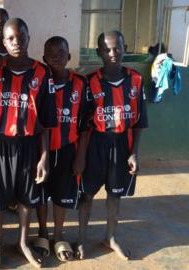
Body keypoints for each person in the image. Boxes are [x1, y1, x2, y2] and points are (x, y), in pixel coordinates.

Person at [0, 18, 57, 269]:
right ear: (3, 42)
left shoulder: (42, 73)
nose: (17, 42)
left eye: (21, 37)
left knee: (27, 198)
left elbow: (46, 123)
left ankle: (23, 242)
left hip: (29, 145)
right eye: (11, 38)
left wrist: (44, 157)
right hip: (0, 145)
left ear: (28, 38)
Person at [73, 31, 148, 261]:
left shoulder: (135, 80)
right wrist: (82, 156)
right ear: (99, 52)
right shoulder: (89, 81)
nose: (113, 53)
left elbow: (139, 122)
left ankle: (111, 237)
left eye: (117, 48)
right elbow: (83, 125)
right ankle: (82, 238)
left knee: (115, 195)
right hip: (95, 143)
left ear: (125, 48)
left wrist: (134, 153)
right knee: (86, 194)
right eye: (107, 49)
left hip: (122, 145)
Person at [38, 36, 87, 262]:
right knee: (40, 194)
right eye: (51, 52)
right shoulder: (37, 83)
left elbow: (86, 125)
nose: (56, 56)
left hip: (67, 150)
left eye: (61, 52)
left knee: (62, 195)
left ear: (69, 56)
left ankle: (58, 235)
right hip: (39, 151)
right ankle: (42, 233)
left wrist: (80, 157)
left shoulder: (80, 84)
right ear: (43, 58)